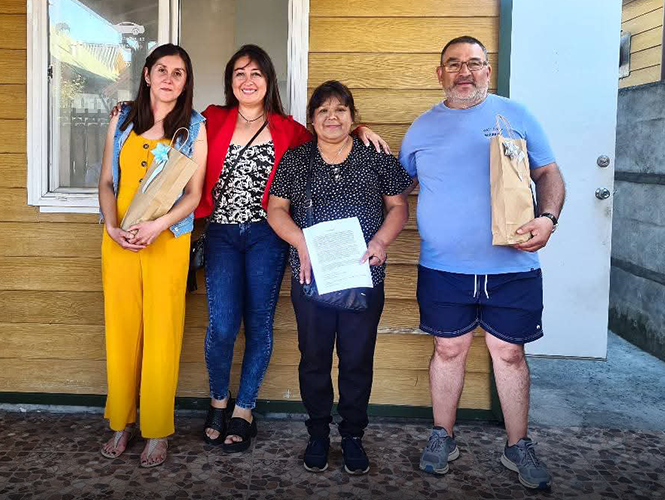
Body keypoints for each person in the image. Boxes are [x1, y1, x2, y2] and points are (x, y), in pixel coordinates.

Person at [193, 45, 390, 452]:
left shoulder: (288, 129)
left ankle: (244, 409)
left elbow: (329, 132)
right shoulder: (213, 118)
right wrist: (130, 107)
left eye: (256, 73)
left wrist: (360, 129)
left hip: (268, 236)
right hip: (222, 234)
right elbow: (174, 124)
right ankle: (218, 401)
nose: (248, 80)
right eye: (240, 73)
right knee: (223, 326)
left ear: (269, 81)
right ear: (230, 81)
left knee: (259, 324)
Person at [398, 36, 565, 490]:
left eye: (474, 63)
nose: (464, 72)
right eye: (453, 64)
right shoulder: (421, 128)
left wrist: (549, 218)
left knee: (509, 354)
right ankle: (442, 435)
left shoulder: (516, 115)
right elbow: (398, 186)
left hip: (512, 267)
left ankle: (518, 445)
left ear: (488, 70)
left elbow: (548, 172)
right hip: (443, 268)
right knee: (448, 350)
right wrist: (357, 134)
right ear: (440, 74)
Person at [267, 80, 412, 474]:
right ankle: (317, 433)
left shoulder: (374, 157)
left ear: (352, 116)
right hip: (311, 276)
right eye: (323, 111)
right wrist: (300, 242)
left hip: (363, 275)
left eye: (340, 110)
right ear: (312, 120)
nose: (332, 117)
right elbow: (276, 209)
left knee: (356, 359)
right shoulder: (296, 159)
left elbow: (398, 206)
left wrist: (381, 241)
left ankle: (352, 435)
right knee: (314, 359)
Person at [98, 43, 208, 468]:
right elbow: (106, 182)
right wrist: (112, 227)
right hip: (120, 241)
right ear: (146, 75)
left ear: (186, 81)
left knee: (163, 333)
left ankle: (158, 429)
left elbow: (194, 195)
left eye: (178, 73)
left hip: (167, 241)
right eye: (161, 70)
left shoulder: (194, 127)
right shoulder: (123, 119)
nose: (168, 78)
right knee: (122, 332)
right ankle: (120, 422)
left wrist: (157, 226)